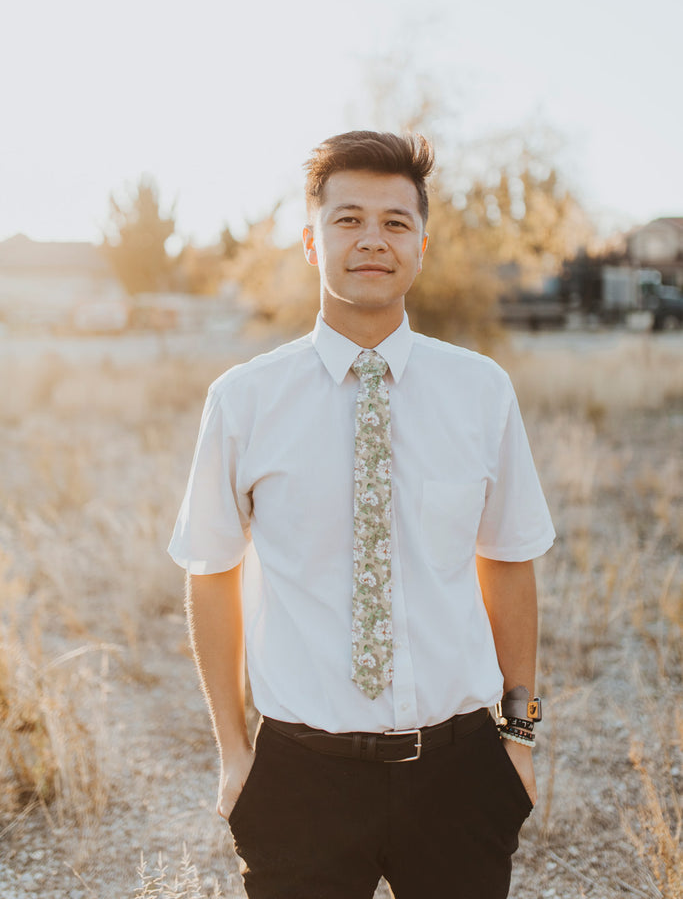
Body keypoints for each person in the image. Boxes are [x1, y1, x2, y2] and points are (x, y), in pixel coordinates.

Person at [169, 130, 555, 899]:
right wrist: (234, 753)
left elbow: (509, 561)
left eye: (394, 222)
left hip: (459, 774)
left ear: (420, 246)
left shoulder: (480, 391)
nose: (372, 240)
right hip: (299, 777)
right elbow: (210, 574)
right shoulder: (244, 400)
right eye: (347, 220)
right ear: (311, 242)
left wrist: (518, 737)